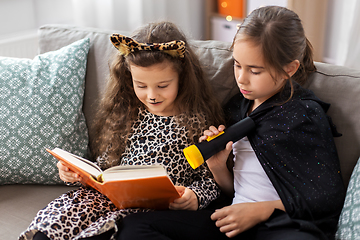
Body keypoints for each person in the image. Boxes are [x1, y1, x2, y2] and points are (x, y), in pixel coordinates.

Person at [118, 6, 346, 240]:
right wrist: (218, 166)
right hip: (230, 220)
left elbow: (327, 196)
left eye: (254, 71)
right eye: (237, 64)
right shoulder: (237, 107)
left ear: (290, 68)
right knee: (134, 227)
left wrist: (261, 210)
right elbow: (233, 191)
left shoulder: (304, 113)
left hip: (279, 224)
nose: (241, 78)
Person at [18, 21, 224, 240]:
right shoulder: (126, 111)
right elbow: (105, 167)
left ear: (182, 79)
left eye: (162, 86)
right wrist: (79, 174)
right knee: (54, 224)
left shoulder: (198, 121)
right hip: (107, 198)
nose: (151, 95)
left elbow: (212, 181)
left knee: (106, 231)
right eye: (141, 86)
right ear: (129, 78)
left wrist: (195, 196)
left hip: (151, 208)